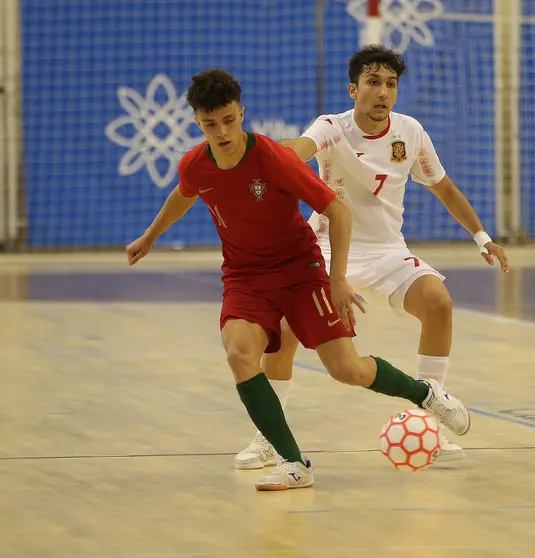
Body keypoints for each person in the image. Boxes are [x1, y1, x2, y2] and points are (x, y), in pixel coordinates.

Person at [125, 69, 471, 491]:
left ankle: (425, 394)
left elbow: (337, 211)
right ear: (199, 122)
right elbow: (184, 193)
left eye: (229, 120)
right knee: (239, 354)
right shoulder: (196, 163)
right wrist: (149, 236)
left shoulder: (271, 157)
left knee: (348, 370)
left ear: (241, 114)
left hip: (300, 272)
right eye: (211, 123)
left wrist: (337, 278)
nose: (222, 131)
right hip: (245, 279)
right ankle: (293, 462)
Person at [233, 45, 508, 470]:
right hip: (324, 248)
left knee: (438, 303)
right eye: (373, 82)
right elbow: (298, 149)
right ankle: (267, 437)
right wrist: (260, 152)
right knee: (285, 330)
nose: (383, 92)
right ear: (354, 88)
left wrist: (482, 236)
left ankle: (427, 418)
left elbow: (446, 189)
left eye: (391, 84)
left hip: (386, 251)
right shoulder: (331, 127)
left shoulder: (411, 132)